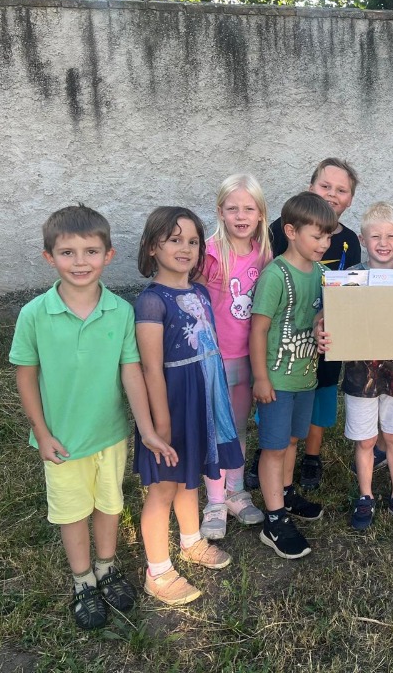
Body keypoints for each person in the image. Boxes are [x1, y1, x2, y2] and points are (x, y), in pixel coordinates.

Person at [10, 204, 176, 629]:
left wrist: (146, 429)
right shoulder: (34, 314)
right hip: (62, 442)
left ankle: (106, 567)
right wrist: (41, 433)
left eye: (91, 251)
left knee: (108, 505)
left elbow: (131, 373)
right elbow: (26, 377)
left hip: (110, 436)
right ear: (49, 257)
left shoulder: (120, 311)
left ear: (108, 255)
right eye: (67, 252)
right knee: (71, 513)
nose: (80, 262)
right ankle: (82, 580)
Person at [134, 207, 244, 605]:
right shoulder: (151, 302)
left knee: (190, 476)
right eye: (174, 239)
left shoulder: (199, 292)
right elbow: (150, 367)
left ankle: (191, 539)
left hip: (202, 397)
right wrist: (161, 421)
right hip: (171, 401)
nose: (185, 248)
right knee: (164, 486)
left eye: (193, 241)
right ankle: (158, 571)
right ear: (152, 247)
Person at [257, 158, 362, 492]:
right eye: (325, 186)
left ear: (350, 200)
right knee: (278, 414)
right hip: (283, 343)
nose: (332, 194)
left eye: (341, 190)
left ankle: (311, 457)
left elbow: (344, 291)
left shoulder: (350, 241)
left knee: (319, 395)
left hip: (320, 342)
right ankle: (267, 453)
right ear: (310, 188)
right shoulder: (279, 230)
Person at [251, 192, 337, 558]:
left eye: (328, 236)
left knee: (290, 442)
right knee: (273, 448)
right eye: (317, 236)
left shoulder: (323, 275)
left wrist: (323, 324)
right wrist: (261, 377)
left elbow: (329, 315)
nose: (324, 243)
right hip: (277, 381)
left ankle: (285, 494)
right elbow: (258, 329)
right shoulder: (275, 275)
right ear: (291, 231)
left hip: (306, 377)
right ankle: (274, 521)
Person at [197, 173, 271, 540]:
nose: (241, 216)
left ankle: (236, 491)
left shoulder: (265, 255)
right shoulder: (209, 253)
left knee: (239, 426)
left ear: (260, 214)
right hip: (214, 357)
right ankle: (214, 500)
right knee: (215, 429)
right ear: (220, 211)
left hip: (249, 358)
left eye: (249, 209)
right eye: (232, 208)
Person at [342, 203, 393, 531]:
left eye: (391, 236)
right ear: (363, 240)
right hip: (359, 374)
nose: (383, 243)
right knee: (365, 440)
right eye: (375, 236)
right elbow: (333, 315)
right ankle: (366, 496)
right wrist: (323, 323)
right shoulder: (349, 279)